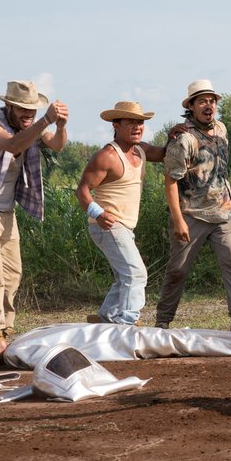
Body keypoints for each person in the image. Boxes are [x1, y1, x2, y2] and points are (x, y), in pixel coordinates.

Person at [0, 80, 69, 341]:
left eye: (32, 109)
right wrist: (45, 121)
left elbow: (58, 145)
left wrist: (60, 125)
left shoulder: (31, 127)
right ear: (8, 106)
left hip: (5, 211)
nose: (28, 114)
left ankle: (5, 330)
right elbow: (12, 145)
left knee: (12, 274)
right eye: (22, 109)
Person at [155, 80, 231, 332]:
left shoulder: (221, 129)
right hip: (191, 214)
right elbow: (171, 181)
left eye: (212, 101)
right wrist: (177, 219)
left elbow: (221, 169)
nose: (209, 106)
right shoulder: (183, 139)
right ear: (192, 107)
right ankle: (162, 321)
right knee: (178, 270)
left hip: (223, 212)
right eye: (202, 101)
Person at [75, 101, 166, 326]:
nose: (137, 127)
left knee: (123, 277)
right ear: (116, 125)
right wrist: (98, 214)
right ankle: (127, 325)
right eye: (131, 122)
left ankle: (106, 318)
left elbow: (165, 153)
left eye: (140, 122)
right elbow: (82, 190)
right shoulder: (107, 156)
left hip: (125, 227)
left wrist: (179, 133)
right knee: (135, 274)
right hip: (108, 224)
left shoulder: (141, 151)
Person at [0, 321, 231, 371]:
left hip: (117, 333)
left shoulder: (18, 341)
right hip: (117, 344)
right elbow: (59, 360)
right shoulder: (18, 355)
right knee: (183, 340)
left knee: (186, 334)